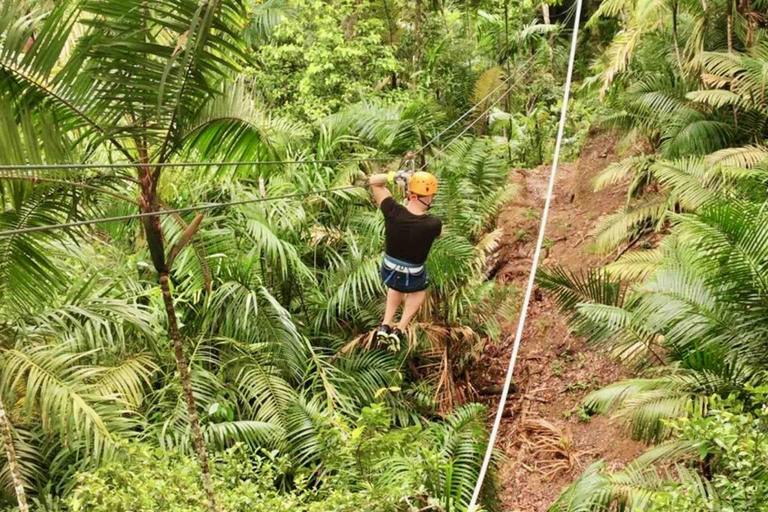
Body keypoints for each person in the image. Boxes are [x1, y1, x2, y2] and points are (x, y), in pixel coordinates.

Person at [368, 166, 442, 346]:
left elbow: (374, 182)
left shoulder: (392, 210)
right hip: (413, 276)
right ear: (423, 197)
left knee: (396, 284)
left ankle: (386, 324)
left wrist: (395, 176)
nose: (431, 198)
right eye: (430, 195)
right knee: (419, 292)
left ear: (410, 193)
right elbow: (439, 235)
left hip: (388, 271)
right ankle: (399, 328)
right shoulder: (433, 223)